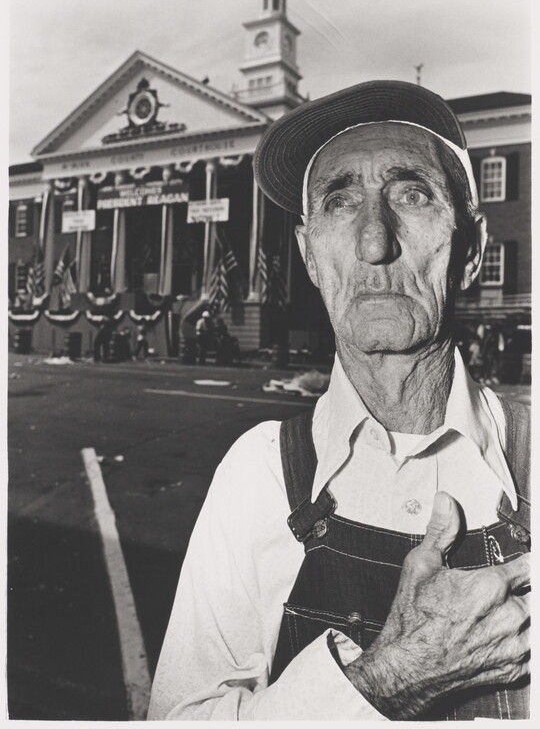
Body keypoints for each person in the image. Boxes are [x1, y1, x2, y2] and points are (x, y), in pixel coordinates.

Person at [148, 81, 530, 721]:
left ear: (472, 253)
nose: (374, 241)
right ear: (309, 258)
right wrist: (387, 681)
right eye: (339, 202)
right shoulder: (261, 472)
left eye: (412, 195)